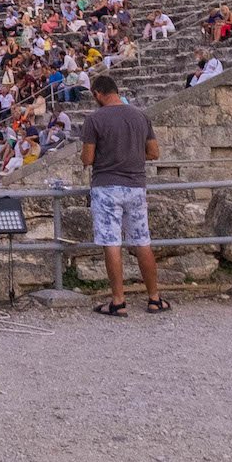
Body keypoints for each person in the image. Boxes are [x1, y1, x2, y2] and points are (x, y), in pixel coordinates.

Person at [79, 73, 162, 316]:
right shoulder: (140, 116)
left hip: (106, 186)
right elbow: (154, 153)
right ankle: (155, 298)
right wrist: (132, 153)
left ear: (97, 94)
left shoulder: (94, 120)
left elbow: (87, 159)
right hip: (136, 185)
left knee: (111, 242)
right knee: (142, 241)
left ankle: (118, 300)